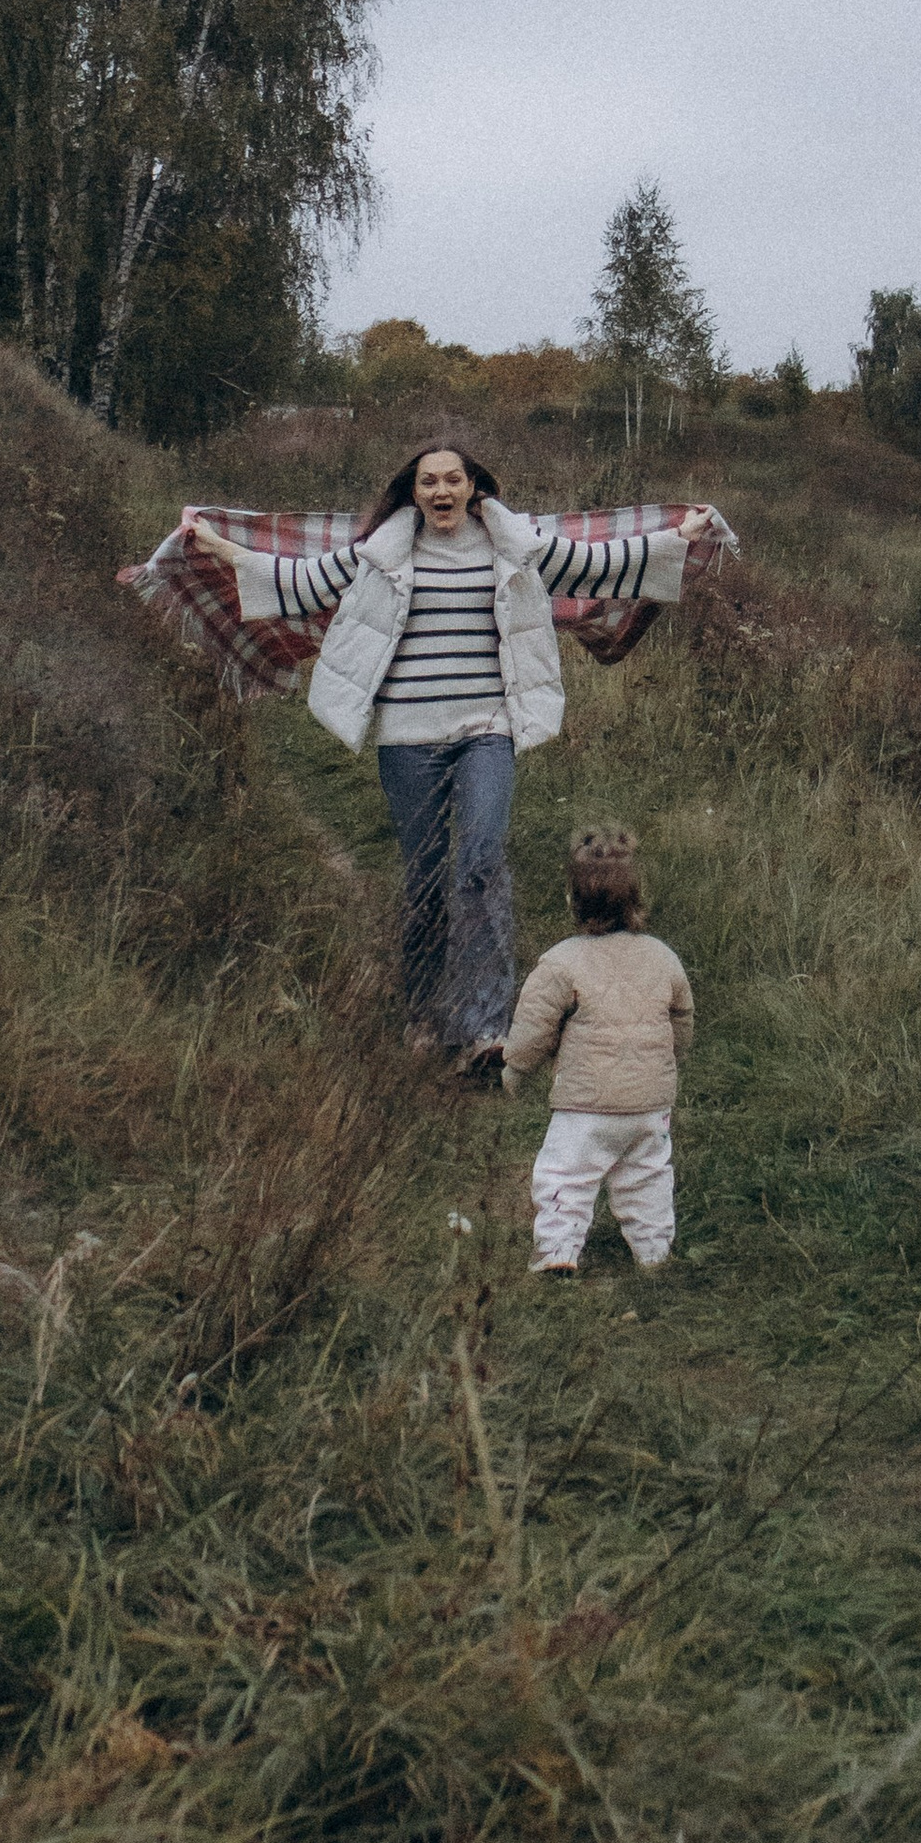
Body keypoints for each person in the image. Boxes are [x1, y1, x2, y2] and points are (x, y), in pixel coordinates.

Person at [184, 441, 716, 1068]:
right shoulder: (382, 552)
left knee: (481, 863)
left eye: (453, 480)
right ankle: (423, 1009)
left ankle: (486, 1028)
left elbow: (596, 565)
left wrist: (679, 538)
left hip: (487, 730)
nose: (441, 491)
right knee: (426, 877)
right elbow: (301, 583)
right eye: (429, 481)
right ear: (414, 492)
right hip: (407, 738)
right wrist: (218, 547)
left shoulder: (514, 545)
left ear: (473, 488)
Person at [501, 825, 694, 1276]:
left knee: (566, 1176)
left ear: (572, 899)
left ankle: (558, 1251)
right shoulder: (662, 957)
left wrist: (514, 1070)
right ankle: (653, 1253)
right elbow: (681, 1019)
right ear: (639, 898)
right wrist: (670, 1059)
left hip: (584, 1106)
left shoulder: (562, 962)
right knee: (648, 1176)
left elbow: (534, 1028)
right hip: (649, 1103)